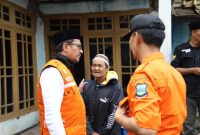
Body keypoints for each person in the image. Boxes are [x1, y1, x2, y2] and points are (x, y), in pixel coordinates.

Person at [114, 14, 187, 135]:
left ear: (136, 38)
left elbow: (146, 129)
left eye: (129, 38)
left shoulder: (144, 74)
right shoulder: (173, 72)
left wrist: (119, 118)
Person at [37, 29, 86, 135]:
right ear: (66, 47)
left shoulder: (64, 69)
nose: (81, 51)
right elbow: (52, 116)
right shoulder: (52, 71)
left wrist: (77, 91)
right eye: (79, 46)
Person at [80, 54, 124, 135]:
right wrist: (91, 131)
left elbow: (113, 113)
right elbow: (82, 110)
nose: (96, 68)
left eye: (100, 66)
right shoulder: (86, 86)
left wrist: (101, 133)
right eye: (94, 65)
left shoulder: (115, 87)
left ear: (107, 68)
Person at [171, 20, 200, 135]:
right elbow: (174, 69)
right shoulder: (180, 49)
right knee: (188, 126)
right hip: (188, 94)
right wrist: (193, 70)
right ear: (193, 33)